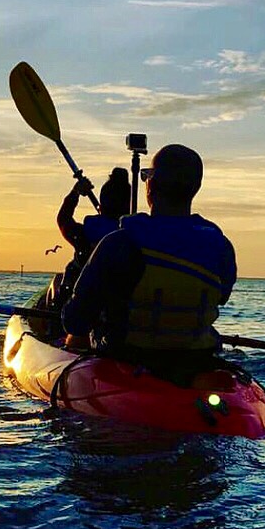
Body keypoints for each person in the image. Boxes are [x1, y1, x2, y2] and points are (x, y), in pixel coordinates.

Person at [61, 144, 236, 380]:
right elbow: (221, 296)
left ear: (150, 185)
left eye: (147, 175)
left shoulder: (120, 243)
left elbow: (76, 321)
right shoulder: (221, 248)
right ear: (196, 187)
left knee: (76, 337)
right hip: (197, 361)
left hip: (127, 359)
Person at [45, 167, 131, 312]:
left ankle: (52, 324)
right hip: (115, 309)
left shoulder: (85, 234)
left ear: (102, 205)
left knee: (60, 281)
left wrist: (75, 192)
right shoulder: (134, 235)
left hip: (79, 307)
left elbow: (63, 219)